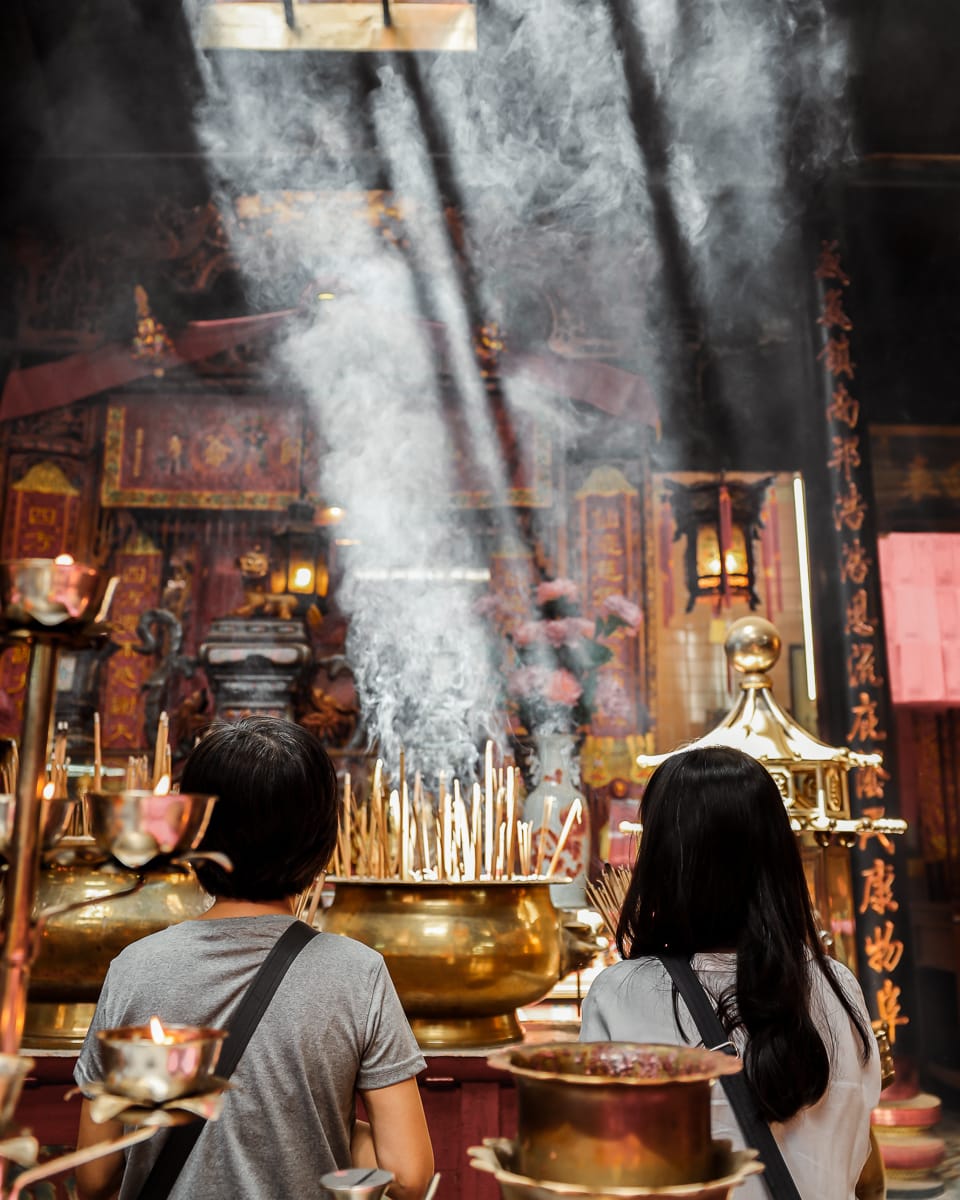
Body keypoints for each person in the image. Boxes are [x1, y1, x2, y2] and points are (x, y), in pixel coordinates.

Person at [74, 717, 434, 1200]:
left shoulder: (135, 969)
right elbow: (408, 1178)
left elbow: (94, 1177)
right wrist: (323, 1122)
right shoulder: (357, 974)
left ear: (192, 835)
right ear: (322, 840)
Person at [580, 746, 880, 1200]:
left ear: (663, 860)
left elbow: (602, 1169)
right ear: (780, 856)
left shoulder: (620, 993)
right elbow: (859, 1166)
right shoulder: (839, 986)